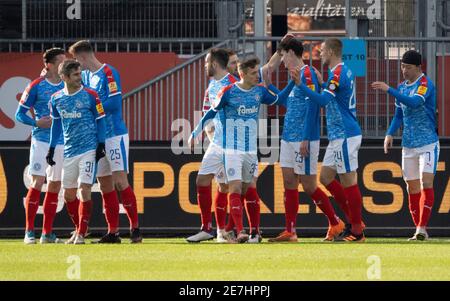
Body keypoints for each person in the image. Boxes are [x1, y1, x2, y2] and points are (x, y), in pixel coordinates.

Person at [190, 56, 299, 243]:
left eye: (257, 72)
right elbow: (211, 112)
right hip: (231, 149)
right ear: (243, 74)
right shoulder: (228, 92)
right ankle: (240, 231)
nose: (258, 75)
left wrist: (292, 83)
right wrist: (195, 132)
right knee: (235, 187)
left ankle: (251, 232)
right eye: (254, 73)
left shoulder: (259, 92)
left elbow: (280, 100)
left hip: (250, 150)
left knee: (249, 189)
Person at [268, 38, 345, 243]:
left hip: (304, 138)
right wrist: (269, 87)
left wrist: (305, 137)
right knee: (289, 182)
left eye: (283, 55)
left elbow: (313, 107)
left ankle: (335, 221)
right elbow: (286, 101)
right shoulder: (295, 77)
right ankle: (290, 231)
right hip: (287, 137)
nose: (281, 60)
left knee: (309, 185)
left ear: (291, 53)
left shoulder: (308, 73)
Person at [68, 40, 142, 243]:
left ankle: (135, 229)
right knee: (104, 184)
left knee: (120, 181)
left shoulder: (109, 72)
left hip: (114, 135)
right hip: (98, 138)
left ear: (82, 56)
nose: (76, 63)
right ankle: (113, 232)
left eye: (76, 59)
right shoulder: (85, 76)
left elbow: (114, 103)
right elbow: (70, 87)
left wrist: (91, 109)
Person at [296, 38, 365, 242]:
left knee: (349, 181)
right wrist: (322, 82)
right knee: (326, 177)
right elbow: (335, 95)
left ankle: (357, 231)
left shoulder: (338, 72)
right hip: (338, 135)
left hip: (345, 134)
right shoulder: (341, 72)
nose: (320, 53)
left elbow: (324, 100)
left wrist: (302, 86)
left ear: (333, 52)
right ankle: (354, 220)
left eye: (323, 50)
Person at [371, 50, 439, 241]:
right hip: (408, 144)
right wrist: (390, 133)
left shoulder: (425, 84)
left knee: (427, 182)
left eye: (408, 67)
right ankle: (417, 230)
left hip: (427, 142)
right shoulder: (401, 87)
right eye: (402, 66)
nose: (404, 70)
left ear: (419, 67)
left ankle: (422, 228)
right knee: (412, 188)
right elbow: (399, 114)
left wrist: (388, 89)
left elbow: (414, 103)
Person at [47, 59, 107, 244]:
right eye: (75, 75)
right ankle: (79, 228)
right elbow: (56, 124)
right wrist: (50, 148)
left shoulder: (90, 95)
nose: (79, 78)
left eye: (80, 74)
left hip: (88, 149)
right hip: (70, 151)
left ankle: (81, 234)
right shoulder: (56, 98)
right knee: (68, 195)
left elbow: (101, 120)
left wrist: (101, 144)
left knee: (85, 188)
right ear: (63, 77)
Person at [186, 48, 238, 243]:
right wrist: (199, 132)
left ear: (215, 64)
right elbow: (208, 113)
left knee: (229, 187)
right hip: (217, 143)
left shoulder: (233, 84)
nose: (204, 66)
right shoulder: (211, 86)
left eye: (206, 62)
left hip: (233, 144)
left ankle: (229, 229)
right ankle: (207, 228)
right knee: (202, 181)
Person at [15, 48, 66, 244]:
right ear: (49, 65)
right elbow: (20, 114)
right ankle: (29, 232)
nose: (64, 64)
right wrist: (36, 123)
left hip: (62, 142)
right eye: (61, 61)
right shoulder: (36, 85)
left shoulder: (68, 85)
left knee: (55, 185)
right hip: (41, 140)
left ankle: (47, 233)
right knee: (37, 182)